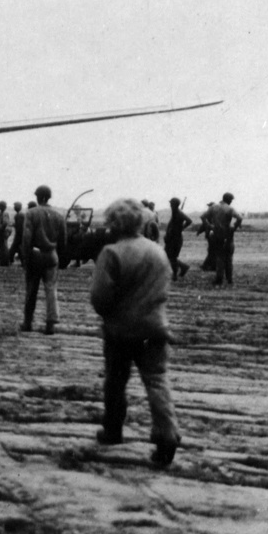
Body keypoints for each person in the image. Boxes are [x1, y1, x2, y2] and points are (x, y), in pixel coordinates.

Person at [90, 198, 182, 467]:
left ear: (114, 224)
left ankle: (113, 429)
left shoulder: (111, 253)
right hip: (155, 328)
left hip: (121, 331)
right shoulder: (157, 251)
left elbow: (100, 298)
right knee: (156, 381)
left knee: (116, 382)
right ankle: (167, 434)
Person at [20, 184, 67, 334]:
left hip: (35, 255)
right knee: (51, 289)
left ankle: (28, 322)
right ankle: (51, 324)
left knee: (31, 290)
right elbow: (63, 240)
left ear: (37, 197)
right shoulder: (59, 215)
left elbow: (27, 238)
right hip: (52, 255)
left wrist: (25, 257)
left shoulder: (31, 213)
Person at [208, 192, 243, 288]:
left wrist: (210, 227)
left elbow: (203, 217)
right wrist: (234, 227)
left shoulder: (214, 207)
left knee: (220, 258)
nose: (231, 202)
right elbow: (240, 218)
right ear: (228, 200)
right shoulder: (230, 208)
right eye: (231, 200)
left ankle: (219, 279)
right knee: (229, 259)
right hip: (228, 235)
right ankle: (229, 279)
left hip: (218, 235)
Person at [164, 198, 193, 279]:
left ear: (174, 204)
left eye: (171, 203)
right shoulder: (174, 212)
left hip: (175, 239)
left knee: (172, 257)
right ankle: (183, 267)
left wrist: (182, 228)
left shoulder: (179, 213)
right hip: (171, 238)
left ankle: (175, 274)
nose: (170, 205)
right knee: (169, 256)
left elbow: (189, 221)